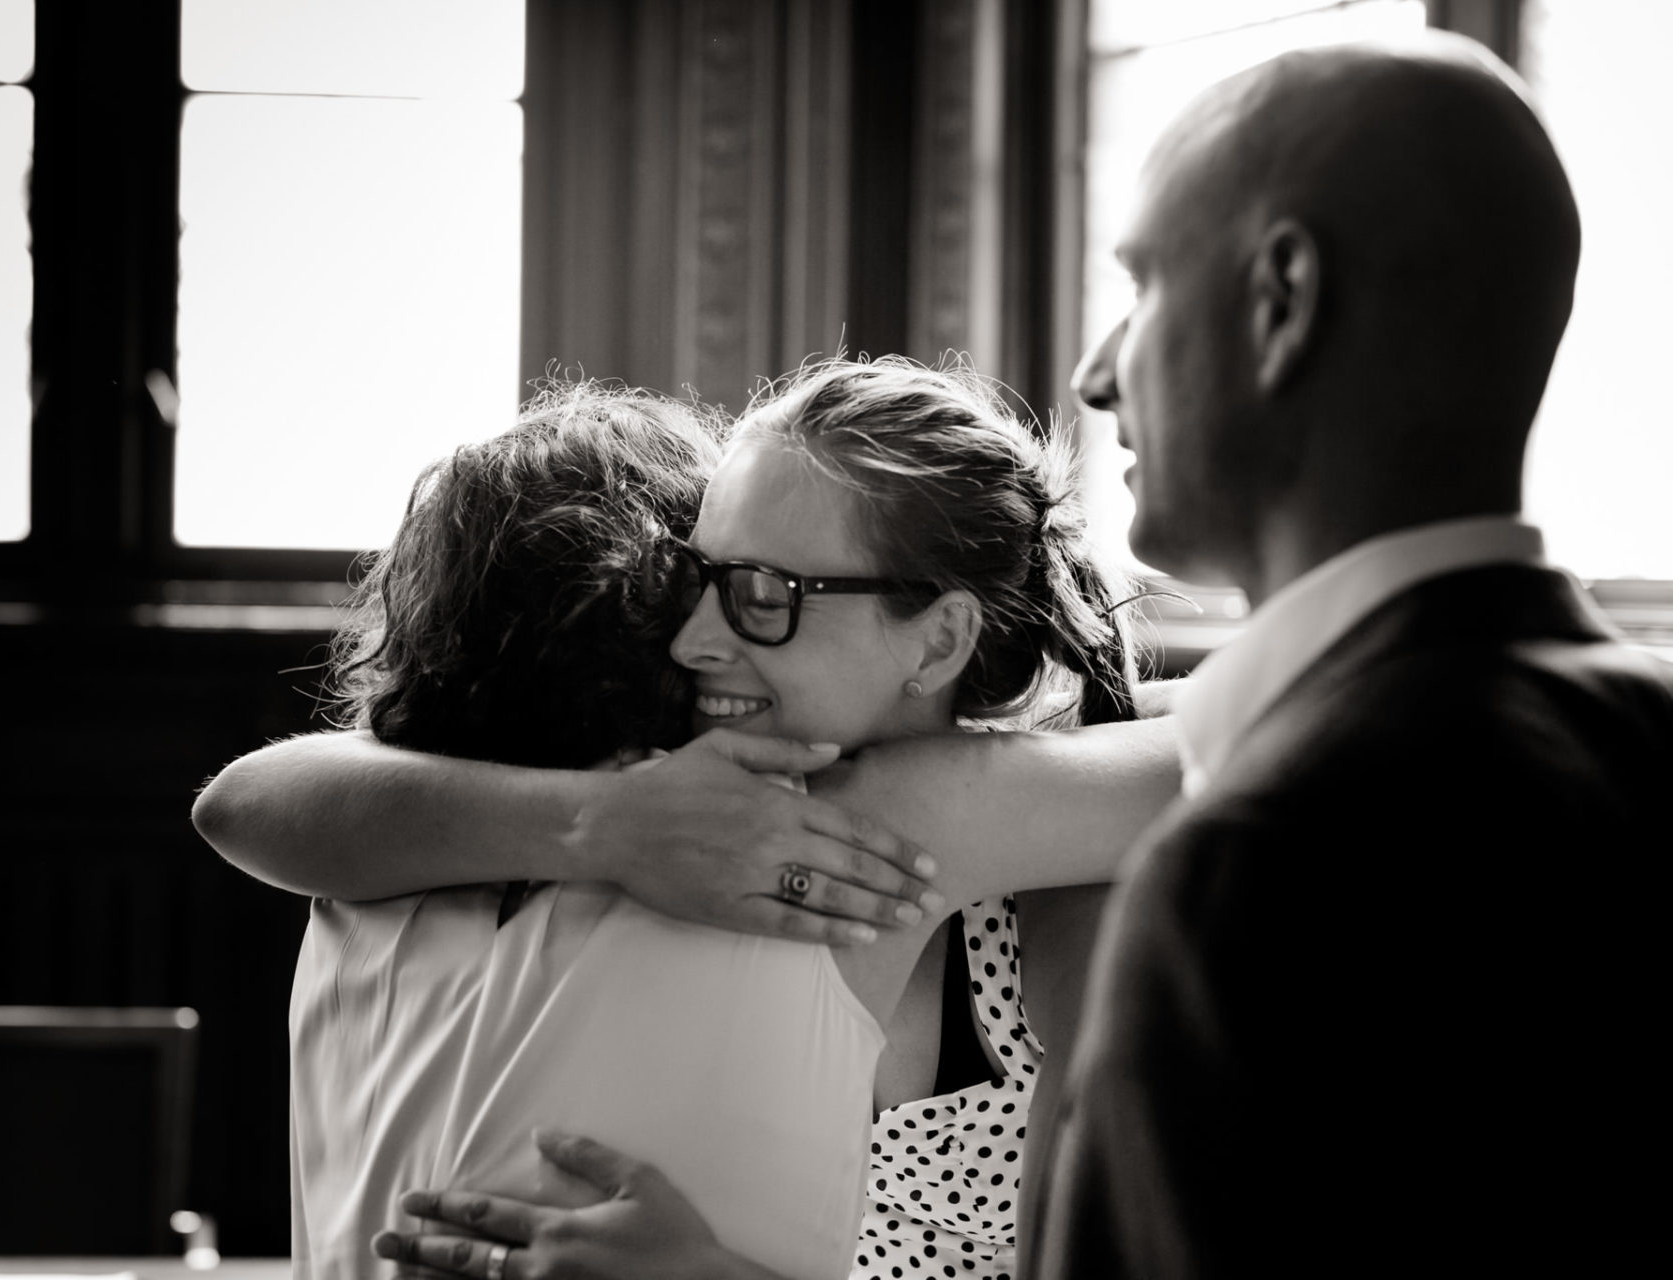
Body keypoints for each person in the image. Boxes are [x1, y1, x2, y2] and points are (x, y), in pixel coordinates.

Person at [194, 359, 1184, 1280]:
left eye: (764, 595)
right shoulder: (673, 821)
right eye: (699, 581)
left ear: (941, 636)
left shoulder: (998, 836)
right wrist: (603, 820)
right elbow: (245, 801)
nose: (698, 637)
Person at [1020, 32, 1673, 1279]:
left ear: (1281, 302)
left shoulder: (1262, 869)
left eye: (1144, 286)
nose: (1095, 374)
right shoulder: (1650, 741)